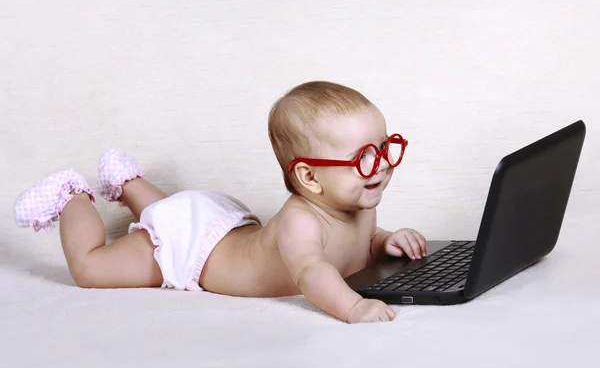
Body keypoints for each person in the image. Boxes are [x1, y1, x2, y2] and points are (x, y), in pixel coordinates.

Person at [14, 81, 427, 323]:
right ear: (309, 178)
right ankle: (71, 197)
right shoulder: (301, 222)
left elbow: (356, 247)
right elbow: (313, 272)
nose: (382, 167)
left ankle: (128, 183)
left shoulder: (360, 204)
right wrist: (354, 307)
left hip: (219, 225)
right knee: (91, 267)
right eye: (363, 158)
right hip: (193, 251)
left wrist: (386, 241)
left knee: (171, 214)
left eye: (385, 147)